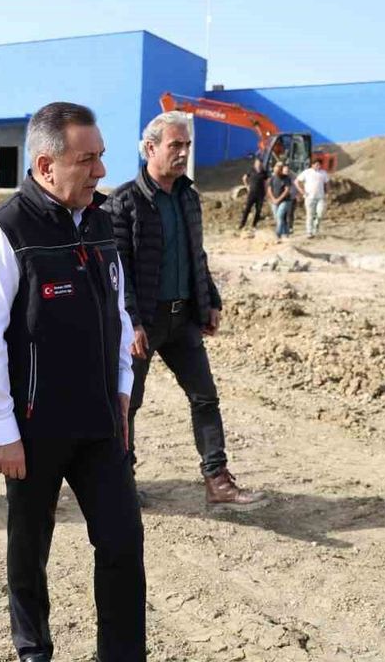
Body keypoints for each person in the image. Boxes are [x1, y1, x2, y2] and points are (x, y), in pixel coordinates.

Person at [0, 101, 144, 662]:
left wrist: (123, 387)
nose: (100, 171)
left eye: (101, 157)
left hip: (101, 421)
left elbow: (118, 310)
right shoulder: (3, 234)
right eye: (87, 160)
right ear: (46, 166)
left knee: (122, 543)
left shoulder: (101, 221)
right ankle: (33, 650)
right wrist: (3, 430)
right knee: (30, 548)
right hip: (34, 427)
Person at [102, 111, 265, 510]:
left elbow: (197, 255)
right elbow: (117, 270)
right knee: (128, 403)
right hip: (144, 322)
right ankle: (121, 482)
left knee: (205, 397)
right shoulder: (124, 202)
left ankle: (217, 481)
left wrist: (210, 300)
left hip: (183, 318)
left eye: (186, 145)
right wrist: (131, 322)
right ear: (150, 148)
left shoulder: (188, 197)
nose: (183, 152)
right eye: (175, 145)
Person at [296, 159, 329, 237]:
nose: (318, 166)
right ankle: (309, 231)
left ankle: (316, 227)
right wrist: (302, 191)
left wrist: (327, 192)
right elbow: (297, 181)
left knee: (320, 214)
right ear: (312, 165)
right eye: (316, 164)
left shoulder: (323, 173)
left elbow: (327, 183)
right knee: (310, 214)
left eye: (319, 165)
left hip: (320, 197)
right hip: (309, 197)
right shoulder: (307, 172)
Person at [238, 156, 268, 230]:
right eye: (257, 163)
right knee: (247, 208)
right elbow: (244, 178)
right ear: (255, 163)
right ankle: (242, 224)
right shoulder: (251, 170)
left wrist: (266, 192)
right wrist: (247, 186)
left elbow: (266, 183)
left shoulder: (264, 172)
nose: (259, 164)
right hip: (252, 193)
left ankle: (254, 225)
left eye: (260, 163)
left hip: (261, 193)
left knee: (258, 210)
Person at [266, 162, 295, 239]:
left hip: (285, 200)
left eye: (277, 170)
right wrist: (273, 199)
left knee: (279, 216)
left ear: (281, 170)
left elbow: (287, 190)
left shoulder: (286, 178)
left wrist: (278, 199)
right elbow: (269, 189)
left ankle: (278, 235)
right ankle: (285, 233)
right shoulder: (272, 178)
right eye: (275, 170)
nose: (276, 172)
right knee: (279, 218)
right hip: (274, 201)